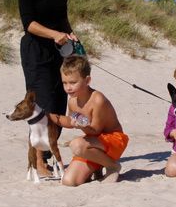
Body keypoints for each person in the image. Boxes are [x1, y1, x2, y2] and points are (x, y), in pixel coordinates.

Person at [18, 0, 78, 177]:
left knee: (59, 105)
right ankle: (38, 163)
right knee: (41, 106)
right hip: (35, 51)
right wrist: (56, 35)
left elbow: (62, 18)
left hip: (59, 52)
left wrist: (70, 36)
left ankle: (47, 155)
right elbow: (29, 23)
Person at [49, 55, 129, 186]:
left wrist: (80, 126)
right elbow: (70, 121)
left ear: (87, 80)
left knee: (76, 145)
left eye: (73, 82)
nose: (68, 87)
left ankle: (112, 166)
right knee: (69, 181)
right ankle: (97, 166)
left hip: (114, 141)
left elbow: (95, 130)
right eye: (65, 83)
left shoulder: (98, 99)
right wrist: (47, 116)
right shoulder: (72, 101)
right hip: (92, 146)